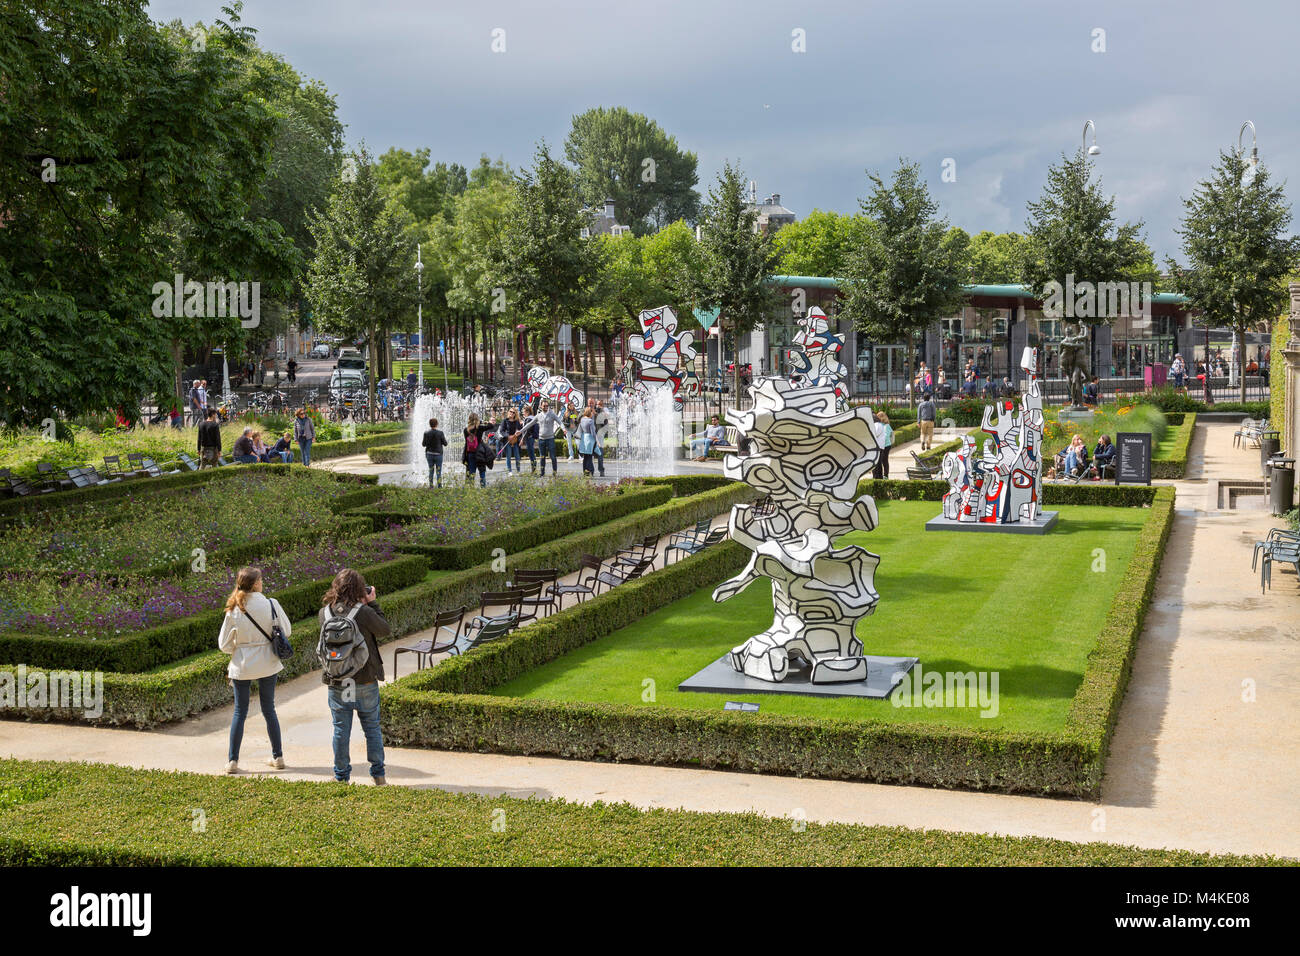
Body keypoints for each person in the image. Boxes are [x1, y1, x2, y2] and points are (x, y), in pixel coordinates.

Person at [318, 569, 390, 785]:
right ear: (360, 589)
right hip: (365, 678)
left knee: (341, 730)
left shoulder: (325, 614)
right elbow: (385, 630)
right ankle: (378, 775)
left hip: (339, 681)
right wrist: (372, 603)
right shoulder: (364, 612)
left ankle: (341, 776)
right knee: (372, 728)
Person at [218, 567, 287, 774]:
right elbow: (287, 631)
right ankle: (278, 756)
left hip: (243, 664)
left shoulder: (234, 609)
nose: (262, 582)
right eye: (261, 580)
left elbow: (223, 644)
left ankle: (233, 761)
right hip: (267, 662)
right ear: (255, 584)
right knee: (269, 709)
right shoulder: (271, 604)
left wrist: (240, 648)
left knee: (240, 711)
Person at [463, 412, 493, 487]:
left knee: (472, 471)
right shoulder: (480, 428)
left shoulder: (466, 430)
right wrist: (483, 422)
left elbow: (467, 442)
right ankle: (483, 487)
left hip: (470, 452)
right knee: (482, 470)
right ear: (477, 419)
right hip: (479, 452)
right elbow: (491, 425)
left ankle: (471, 487)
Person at [535, 400, 563, 476]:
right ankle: (542, 472)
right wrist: (520, 431)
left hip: (550, 438)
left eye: (547, 406)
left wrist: (564, 429)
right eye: (544, 406)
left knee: (553, 457)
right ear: (541, 406)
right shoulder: (538, 415)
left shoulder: (552, 414)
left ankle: (554, 472)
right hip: (541, 439)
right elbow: (530, 424)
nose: (546, 407)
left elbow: (560, 422)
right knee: (542, 457)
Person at [422, 416, 447, 487]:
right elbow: (445, 444)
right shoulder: (440, 433)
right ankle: (439, 486)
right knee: (438, 471)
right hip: (438, 454)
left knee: (431, 470)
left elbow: (423, 444)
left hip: (429, 454)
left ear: (430, 424)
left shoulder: (426, 433)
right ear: (437, 424)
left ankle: (431, 486)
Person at [499, 407, 523, 473]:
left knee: (517, 456)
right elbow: (501, 431)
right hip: (507, 440)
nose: (511, 413)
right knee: (508, 456)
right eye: (510, 411)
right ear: (508, 412)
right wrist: (508, 436)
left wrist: (519, 437)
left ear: (515, 414)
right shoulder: (505, 421)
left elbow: (520, 431)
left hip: (515, 440)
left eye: (513, 412)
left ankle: (518, 471)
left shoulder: (517, 421)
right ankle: (510, 471)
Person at [872, 411, 894, 479]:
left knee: (884, 460)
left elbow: (886, 436)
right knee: (882, 461)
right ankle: (884, 475)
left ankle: (886, 475)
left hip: (886, 445)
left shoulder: (885, 426)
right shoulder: (884, 425)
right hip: (885, 445)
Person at [576, 407, 597, 477]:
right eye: (591, 412)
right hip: (589, 438)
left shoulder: (582, 420)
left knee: (585, 456)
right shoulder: (590, 421)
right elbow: (593, 433)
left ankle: (585, 471)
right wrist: (595, 441)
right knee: (589, 456)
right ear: (589, 412)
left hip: (584, 438)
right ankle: (591, 470)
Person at [592, 401, 610, 477]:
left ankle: (601, 470)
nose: (598, 406)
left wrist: (600, 412)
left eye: (599, 405)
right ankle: (590, 471)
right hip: (591, 435)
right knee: (590, 454)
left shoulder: (603, 411)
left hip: (599, 435)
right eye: (597, 404)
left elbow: (606, 422)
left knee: (600, 453)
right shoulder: (589, 411)